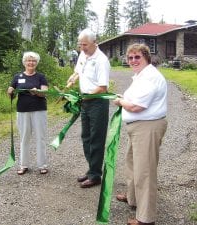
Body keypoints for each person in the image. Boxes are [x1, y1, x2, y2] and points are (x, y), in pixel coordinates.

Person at [113, 43, 168, 225]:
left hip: (147, 127)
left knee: (145, 171)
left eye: (138, 57)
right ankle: (133, 198)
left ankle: (146, 218)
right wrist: (125, 99)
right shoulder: (141, 76)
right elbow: (135, 100)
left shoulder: (149, 77)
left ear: (146, 57)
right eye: (130, 57)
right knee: (133, 164)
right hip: (138, 128)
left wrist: (121, 102)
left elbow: (137, 106)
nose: (133, 60)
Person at [67, 28, 110, 188]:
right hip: (84, 101)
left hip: (97, 102)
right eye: (80, 45)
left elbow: (103, 88)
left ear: (94, 43)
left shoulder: (101, 60)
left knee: (96, 139)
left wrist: (86, 96)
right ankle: (92, 169)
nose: (82, 48)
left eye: (84, 44)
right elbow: (77, 71)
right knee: (86, 137)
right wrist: (72, 79)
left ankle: (95, 175)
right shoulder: (83, 55)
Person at [7, 51, 49, 175]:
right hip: (22, 110)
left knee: (40, 137)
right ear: (24, 62)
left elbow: (45, 93)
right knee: (24, 138)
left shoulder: (40, 77)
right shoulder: (17, 77)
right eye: (29, 60)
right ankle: (23, 165)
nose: (31, 62)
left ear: (36, 63)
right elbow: (11, 94)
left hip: (39, 110)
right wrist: (10, 91)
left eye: (33, 61)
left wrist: (37, 92)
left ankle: (42, 165)